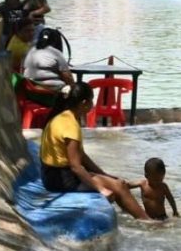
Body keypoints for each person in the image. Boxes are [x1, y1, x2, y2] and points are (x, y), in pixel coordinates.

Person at [39, 82, 149, 219]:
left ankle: (133, 218)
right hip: (60, 179)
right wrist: (100, 189)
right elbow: (76, 167)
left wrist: (103, 175)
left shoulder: (62, 117)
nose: (93, 104)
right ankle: (147, 222)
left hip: (51, 175)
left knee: (116, 183)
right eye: (92, 100)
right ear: (84, 103)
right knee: (119, 186)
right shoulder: (70, 125)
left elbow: (82, 156)